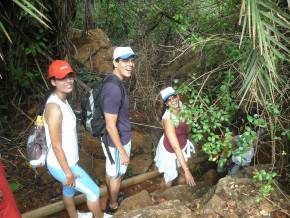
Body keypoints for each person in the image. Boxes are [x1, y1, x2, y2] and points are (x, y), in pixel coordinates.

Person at [44, 60, 111, 218]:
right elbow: (55, 145)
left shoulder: (63, 99)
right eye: (62, 78)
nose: (68, 80)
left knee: (69, 189)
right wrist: (68, 173)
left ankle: (74, 216)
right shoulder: (54, 108)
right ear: (53, 81)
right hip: (61, 165)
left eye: (70, 76)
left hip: (67, 161)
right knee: (93, 192)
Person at [100, 46, 137, 214]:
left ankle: (111, 198)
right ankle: (113, 205)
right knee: (117, 175)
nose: (130, 64)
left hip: (115, 139)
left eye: (132, 60)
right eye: (125, 61)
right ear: (115, 63)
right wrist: (122, 151)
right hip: (117, 141)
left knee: (112, 171)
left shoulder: (113, 81)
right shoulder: (113, 88)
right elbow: (110, 125)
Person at [154, 87, 196, 188]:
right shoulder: (167, 118)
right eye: (169, 99)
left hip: (182, 144)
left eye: (174, 97)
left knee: (183, 178)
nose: (173, 100)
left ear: (178, 96)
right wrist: (187, 171)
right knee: (169, 179)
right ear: (166, 104)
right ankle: (165, 196)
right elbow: (175, 147)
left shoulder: (184, 108)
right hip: (170, 150)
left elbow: (188, 128)